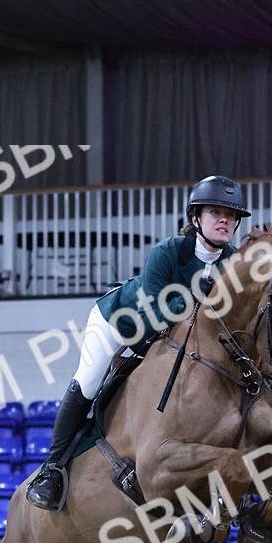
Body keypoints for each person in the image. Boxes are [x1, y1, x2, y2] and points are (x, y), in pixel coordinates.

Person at [26, 175, 251, 510]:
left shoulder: (233, 264)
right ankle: (52, 470)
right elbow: (160, 309)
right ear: (195, 218)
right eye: (216, 211)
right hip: (120, 324)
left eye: (231, 215)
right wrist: (199, 302)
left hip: (162, 342)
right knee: (88, 381)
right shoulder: (167, 252)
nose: (225, 220)